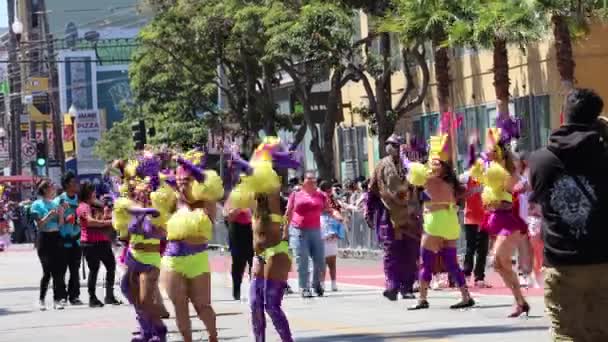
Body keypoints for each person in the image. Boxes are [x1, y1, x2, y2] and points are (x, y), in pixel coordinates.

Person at [529, 88, 608, 341]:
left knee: (565, 334)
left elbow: (540, 200)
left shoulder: (540, 160)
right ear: (597, 118)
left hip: (562, 262)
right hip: (603, 259)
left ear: (563, 115)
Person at [228, 136, 299, 342]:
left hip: (276, 252)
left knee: (271, 305)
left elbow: (253, 172)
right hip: (259, 255)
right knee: (254, 304)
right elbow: (233, 206)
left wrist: (236, 157)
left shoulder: (271, 186)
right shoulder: (255, 193)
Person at [405, 134, 475, 310]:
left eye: (436, 163)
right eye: (432, 162)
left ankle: (422, 298)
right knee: (451, 262)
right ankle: (466, 296)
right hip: (450, 222)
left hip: (435, 222)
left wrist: (403, 155)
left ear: (443, 167)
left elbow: (410, 169)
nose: (432, 165)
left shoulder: (428, 179)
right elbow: (464, 193)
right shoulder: (452, 182)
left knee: (426, 261)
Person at [161, 152, 222, 342]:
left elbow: (205, 180)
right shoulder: (172, 201)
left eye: (187, 179)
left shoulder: (206, 201)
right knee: (179, 305)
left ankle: (213, 336)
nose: (182, 182)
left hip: (198, 259)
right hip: (173, 258)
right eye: (179, 179)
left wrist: (188, 164)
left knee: (202, 305)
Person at [472, 124, 529, 317]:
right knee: (499, 265)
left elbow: (517, 185)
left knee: (498, 258)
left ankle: (521, 299)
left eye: (491, 150)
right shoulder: (490, 170)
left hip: (508, 221)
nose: (488, 153)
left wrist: (518, 183)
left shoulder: (507, 171)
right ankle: (520, 301)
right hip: (495, 219)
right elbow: (475, 172)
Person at [366, 134, 422, 301]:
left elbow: (421, 187)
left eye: (396, 145)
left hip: (411, 215)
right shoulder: (382, 166)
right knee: (391, 252)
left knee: (410, 252)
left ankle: (407, 287)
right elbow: (372, 189)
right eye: (390, 144)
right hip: (389, 215)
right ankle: (392, 285)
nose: (392, 148)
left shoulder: (412, 166)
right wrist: (368, 212)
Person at [286, 171, 331, 298]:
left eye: (314, 180)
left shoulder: (321, 195)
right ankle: (304, 287)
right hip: (299, 230)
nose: (312, 181)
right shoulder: (296, 195)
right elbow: (288, 212)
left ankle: (316, 284)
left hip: (316, 230)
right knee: (303, 260)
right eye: (309, 179)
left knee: (320, 261)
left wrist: (337, 215)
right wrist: (285, 229)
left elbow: (328, 209)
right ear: (303, 181)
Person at [78, 182, 121, 307]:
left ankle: (109, 296)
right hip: (90, 243)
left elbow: (103, 215)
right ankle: (92, 298)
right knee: (94, 269)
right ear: (88, 193)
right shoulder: (83, 206)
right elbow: (90, 222)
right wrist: (108, 223)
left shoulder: (96, 205)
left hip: (103, 241)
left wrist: (107, 212)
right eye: (93, 192)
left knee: (111, 267)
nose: (95, 194)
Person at [31, 180, 66, 310]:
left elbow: (61, 224)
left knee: (57, 271)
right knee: (47, 271)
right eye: (51, 187)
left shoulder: (55, 204)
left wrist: (61, 213)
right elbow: (39, 224)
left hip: (56, 237)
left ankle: (57, 300)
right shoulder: (36, 204)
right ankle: (41, 299)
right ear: (45, 189)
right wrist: (49, 215)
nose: (54, 189)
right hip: (44, 239)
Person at [53, 171, 83, 305]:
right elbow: (53, 221)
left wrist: (78, 221)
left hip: (76, 240)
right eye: (73, 182)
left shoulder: (80, 200)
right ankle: (61, 296)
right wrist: (65, 219)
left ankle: (74, 296)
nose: (76, 184)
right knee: (61, 270)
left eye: (76, 182)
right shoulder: (59, 200)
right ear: (66, 185)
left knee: (75, 270)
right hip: (62, 241)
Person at [224, 198, 254, 301]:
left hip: (251, 229)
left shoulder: (253, 196)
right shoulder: (233, 197)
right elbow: (227, 216)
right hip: (236, 230)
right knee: (238, 262)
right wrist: (238, 208)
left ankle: (254, 290)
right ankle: (236, 291)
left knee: (253, 261)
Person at [319, 180, 345, 292]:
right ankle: (321, 283)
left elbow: (336, 212)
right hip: (321, 232)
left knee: (332, 260)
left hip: (332, 231)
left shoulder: (332, 201)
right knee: (322, 262)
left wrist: (338, 217)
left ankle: (333, 283)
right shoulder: (318, 199)